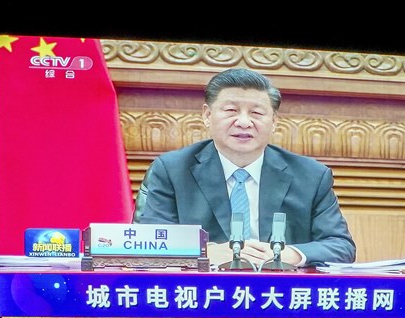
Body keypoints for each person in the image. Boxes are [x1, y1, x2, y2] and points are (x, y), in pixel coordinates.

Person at [133, 67, 356, 268]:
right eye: (231, 110)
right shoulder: (172, 170)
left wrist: (291, 254)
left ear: (274, 122)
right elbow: (149, 242)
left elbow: (340, 246)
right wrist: (207, 252)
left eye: (257, 113)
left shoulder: (311, 176)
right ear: (207, 115)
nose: (243, 122)